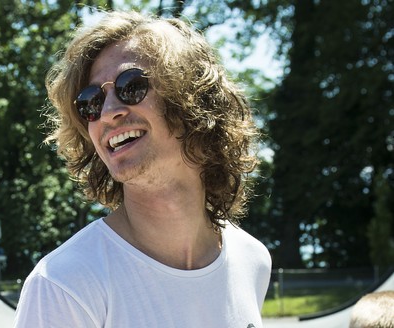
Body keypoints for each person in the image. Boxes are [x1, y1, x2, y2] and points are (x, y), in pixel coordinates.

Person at [14, 10, 272, 328]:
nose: (107, 112)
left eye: (130, 85)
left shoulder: (253, 261)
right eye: (90, 102)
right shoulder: (64, 285)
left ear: (193, 99)